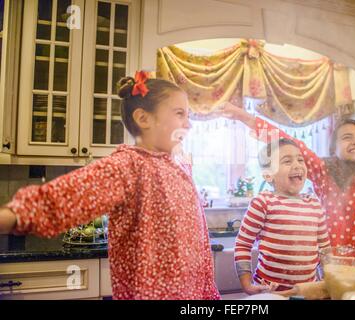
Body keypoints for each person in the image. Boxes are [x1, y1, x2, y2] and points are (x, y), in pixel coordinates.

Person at [0, 71, 220, 300]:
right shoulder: (128, 166)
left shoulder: (180, 166)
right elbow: (68, 196)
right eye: (179, 114)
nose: (189, 124)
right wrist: (14, 215)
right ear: (143, 119)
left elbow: (199, 246)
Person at [219, 102, 355, 253]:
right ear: (333, 148)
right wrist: (245, 117)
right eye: (347, 137)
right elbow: (286, 139)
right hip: (337, 264)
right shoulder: (324, 170)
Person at [234, 138, 330, 296]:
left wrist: (327, 281)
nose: (298, 165)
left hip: (306, 292)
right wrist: (247, 284)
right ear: (268, 175)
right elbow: (243, 245)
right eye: (287, 161)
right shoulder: (263, 202)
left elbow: (325, 250)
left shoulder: (314, 203)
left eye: (300, 159)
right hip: (269, 293)